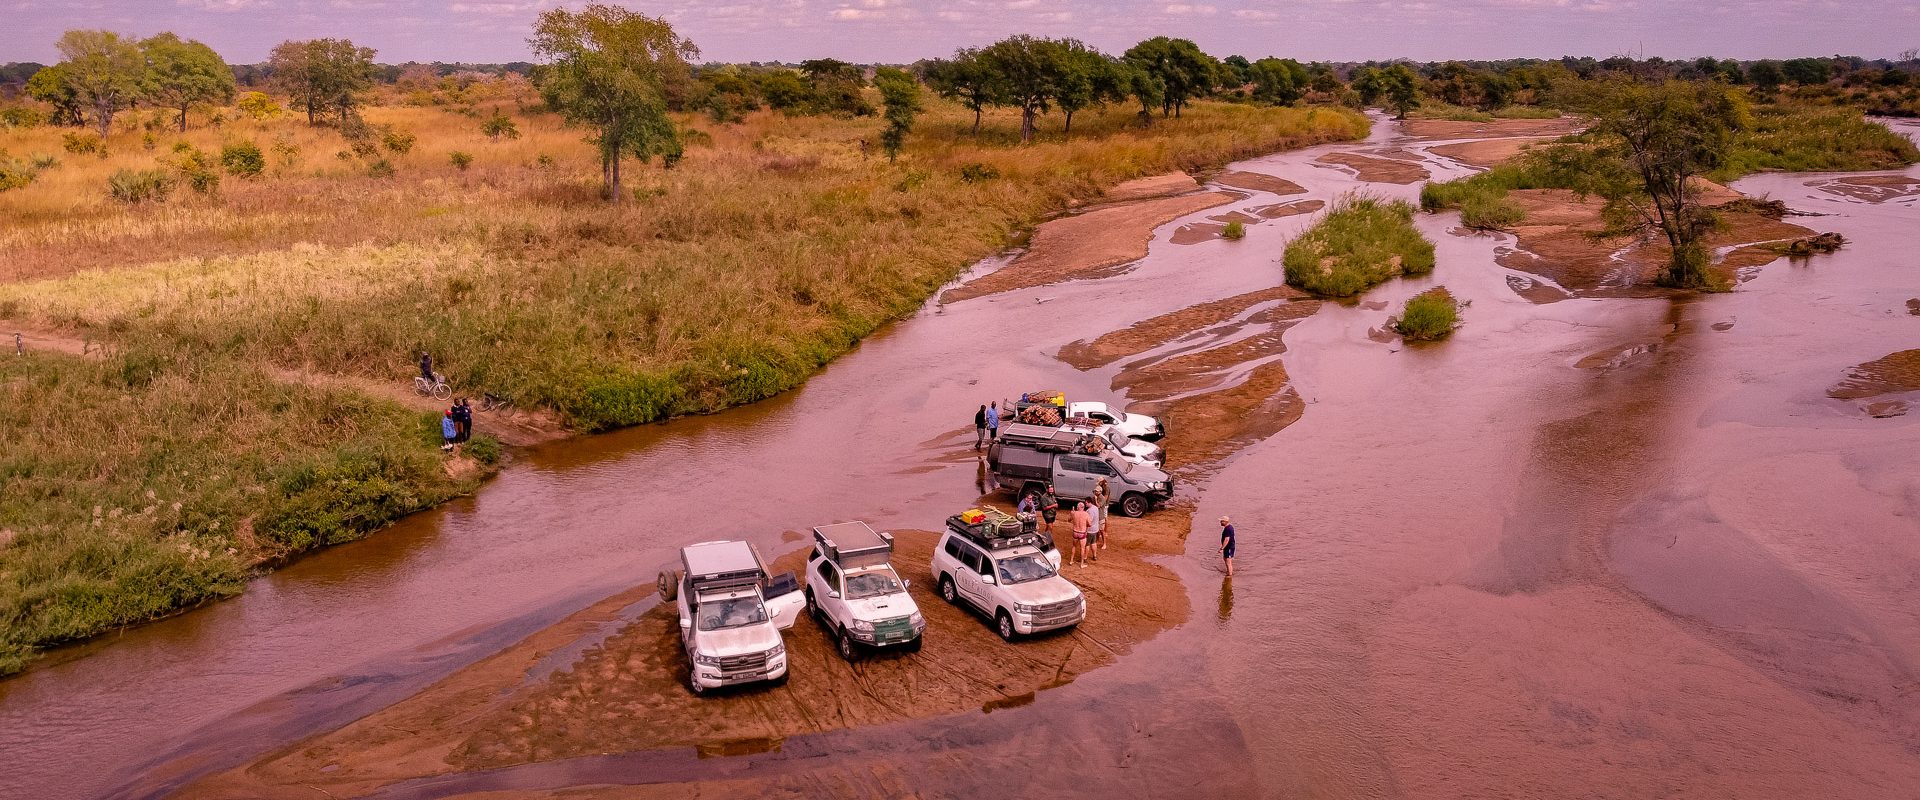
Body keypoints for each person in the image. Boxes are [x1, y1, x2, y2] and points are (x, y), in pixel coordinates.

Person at [1069, 501, 1092, 567]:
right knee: (1082, 548)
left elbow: (1069, 520)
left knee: (1074, 546)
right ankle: (1081, 564)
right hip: (1082, 533)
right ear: (1083, 507)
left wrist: (1071, 513)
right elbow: (1090, 524)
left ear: (1078, 507)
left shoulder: (1074, 513)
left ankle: (1071, 560)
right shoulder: (1086, 514)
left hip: (1075, 532)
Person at [1090, 479, 1110, 552]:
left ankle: (1104, 543)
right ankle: (1097, 541)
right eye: (1095, 491)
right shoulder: (1096, 497)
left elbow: (1098, 506)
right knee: (1097, 531)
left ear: (1100, 492)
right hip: (1096, 517)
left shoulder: (1102, 498)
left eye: (1096, 491)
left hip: (1101, 517)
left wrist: (1095, 500)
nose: (1095, 492)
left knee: (1101, 531)